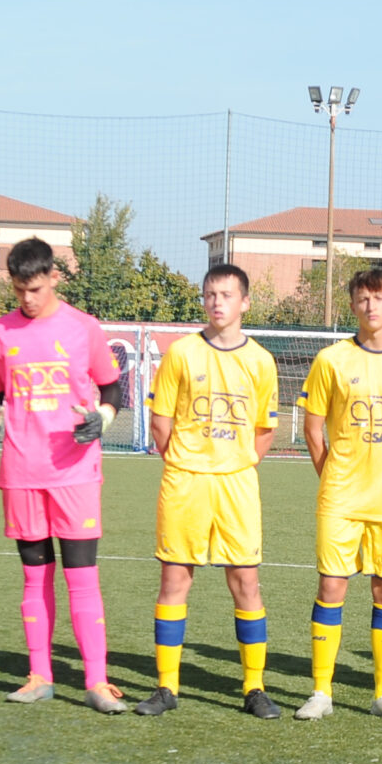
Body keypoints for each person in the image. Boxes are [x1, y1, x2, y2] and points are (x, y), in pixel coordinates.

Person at [0, 236, 128, 712]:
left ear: (54, 278)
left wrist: (102, 418)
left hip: (75, 472)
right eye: (19, 290)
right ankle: (39, 675)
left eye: (36, 289)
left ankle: (97, 681)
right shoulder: (0, 332)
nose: (27, 298)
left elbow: (112, 389)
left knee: (82, 577)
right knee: (34, 577)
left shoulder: (84, 327)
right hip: (21, 471)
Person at [138, 263, 281, 718]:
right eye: (210, 294)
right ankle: (166, 687)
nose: (217, 302)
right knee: (175, 580)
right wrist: (187, 462)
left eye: (226, 294)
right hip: (185, 482)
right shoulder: (181, 354)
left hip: (237, 484)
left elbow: (264, 431)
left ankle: (254, 687)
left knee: (246, 582)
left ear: (245, 302)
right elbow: (161, 423)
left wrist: (234, 464)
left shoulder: (260, 360)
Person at [296, 267, 382, 722]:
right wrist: (332, 474)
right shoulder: (331, 359)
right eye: (362, 298)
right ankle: (321, 691)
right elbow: (312, 427)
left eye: (379, 297)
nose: (371, 305)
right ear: (353, 305)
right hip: (341, 496)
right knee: (331, 586)